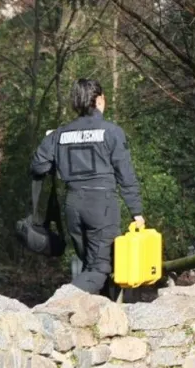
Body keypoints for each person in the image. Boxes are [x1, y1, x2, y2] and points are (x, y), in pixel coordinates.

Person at [29, 78, 144, 295]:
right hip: (102, 205)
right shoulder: (111, 132)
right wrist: (136, 211)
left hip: (73, 206)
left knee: (90, 264)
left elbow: (38, 166)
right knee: (101, 267)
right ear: (99, 100)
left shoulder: (60, 134)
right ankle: (62, 300)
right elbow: (126, 175)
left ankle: (102, 316)